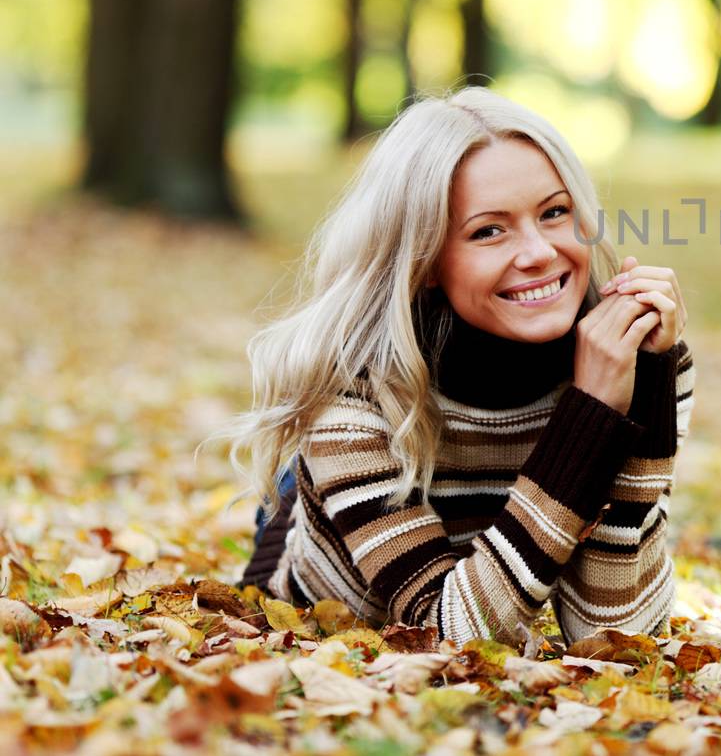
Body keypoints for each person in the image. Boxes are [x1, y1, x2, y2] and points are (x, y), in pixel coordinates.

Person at [228, 87, 694, 646]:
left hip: (487, 555)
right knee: (309, 484)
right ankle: (296, 493)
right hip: (332, 565)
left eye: (554, 212)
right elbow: (451, 633)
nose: (539, 253)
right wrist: (586, 419)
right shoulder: (352, 398)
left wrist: (634, 397)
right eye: (488, 231)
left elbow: (615, 633)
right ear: (425, 259)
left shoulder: (629, 359)